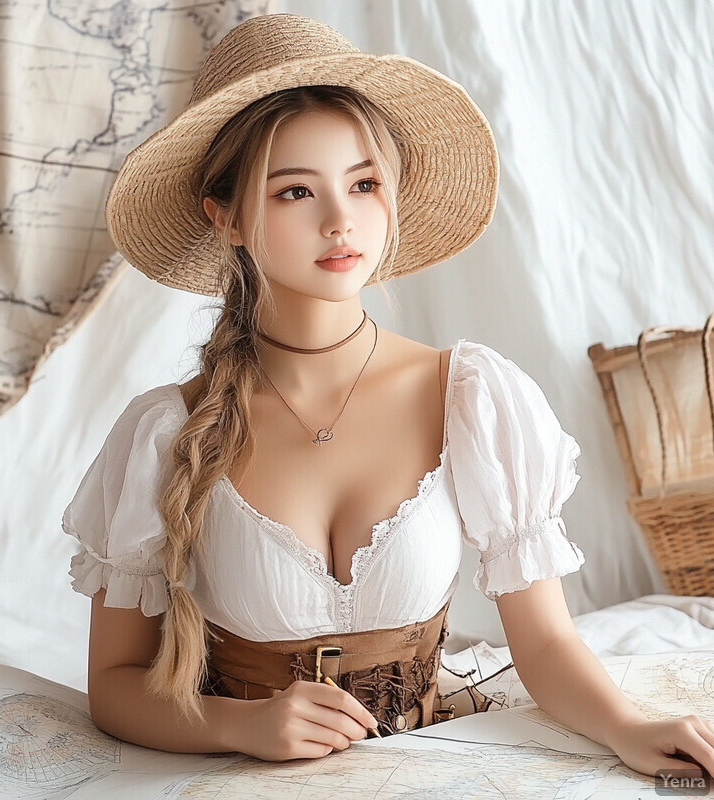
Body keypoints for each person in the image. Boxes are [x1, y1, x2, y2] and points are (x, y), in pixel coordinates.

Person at [62, 13, 714, 774]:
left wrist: (628, 728)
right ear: (227, 216)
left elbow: (544, 641)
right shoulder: (167, 432)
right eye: (296, 191)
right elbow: (113, 686)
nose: (342, 221)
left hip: (434, 771)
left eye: (364, 183)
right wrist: (241, 724)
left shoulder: (466, 395)